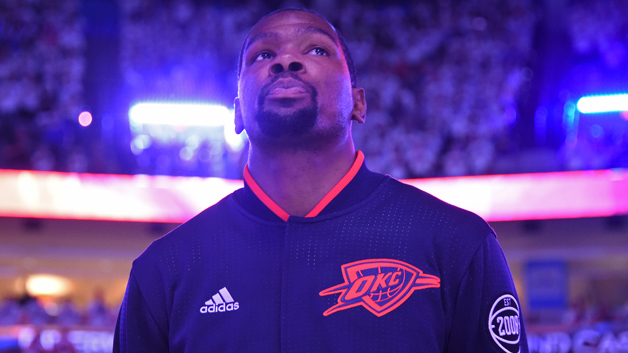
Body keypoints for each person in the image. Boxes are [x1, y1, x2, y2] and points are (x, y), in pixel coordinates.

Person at [114, 8, 528, 353]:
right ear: (238, 113)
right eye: (262, 56)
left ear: (359, 103)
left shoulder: (456, 242)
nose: (284, 61)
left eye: (316, 49)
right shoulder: (163, 269)